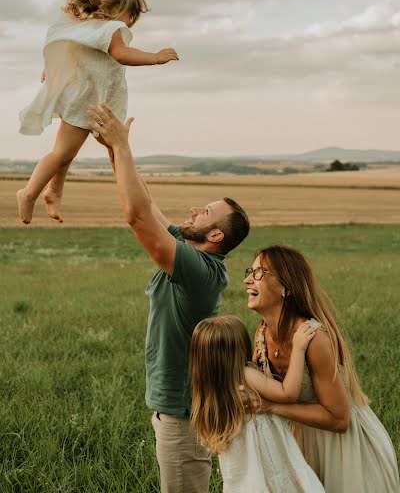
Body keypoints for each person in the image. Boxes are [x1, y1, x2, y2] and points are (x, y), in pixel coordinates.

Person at [87, 102, 250, 493]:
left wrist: (123, 149)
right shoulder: (191, 252)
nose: (195, 209)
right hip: (174, 411)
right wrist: (115, 151)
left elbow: (138, 218)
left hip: (183, 416)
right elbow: (148, 204)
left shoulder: (200, 272)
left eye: (206, 211)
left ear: (216, 237)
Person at [17, 0, 178, 224]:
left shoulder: (82, 28)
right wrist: (155, 57)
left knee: (67, 153)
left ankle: (53, 192)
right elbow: (122, 54)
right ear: (116, 6)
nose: (132, 20)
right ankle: (28, 193)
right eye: (131, 13)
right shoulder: (111, 28)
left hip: (81, 98)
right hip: (88, 103)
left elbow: (66, 50)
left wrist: (50, 72)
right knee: (66, 153)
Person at [246, 245, 400, 493]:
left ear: (285, 288)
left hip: (345, 447)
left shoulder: (313, 338)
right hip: (307, 439)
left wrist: (274, 407)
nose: (247, 279)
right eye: (250, 271)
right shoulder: (263, 332)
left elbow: (339, 419)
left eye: (260, 272)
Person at [190, 315, 324, 492]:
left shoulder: (213, 391)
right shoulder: (247, 375)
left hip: (243, 471)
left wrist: (254, 363)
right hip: (268, 462)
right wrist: (298, 349)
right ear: (238, 351)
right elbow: (288, 393)